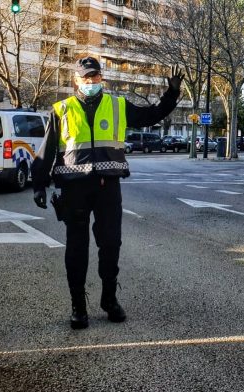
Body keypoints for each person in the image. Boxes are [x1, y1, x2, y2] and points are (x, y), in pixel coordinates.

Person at [31, 57, 183, 329]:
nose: (91, 82)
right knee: (77, 249)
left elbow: (151, 115)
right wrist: (39, 184)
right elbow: (48, 149)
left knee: (111, 245)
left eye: (95, 77)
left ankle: (109, 300)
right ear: (76, 80)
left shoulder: (118, 105)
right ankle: (79, 306)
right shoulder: (62, 110)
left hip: (108, 187)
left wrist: (171, 94)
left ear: (102, 78)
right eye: (85, 78)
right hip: (74, 187)